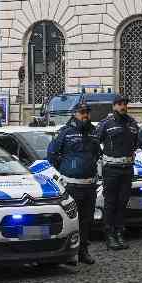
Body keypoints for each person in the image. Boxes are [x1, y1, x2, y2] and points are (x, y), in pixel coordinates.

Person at [47, 100, 101, 265]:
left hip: (90, 185)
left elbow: (97, 154)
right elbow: (52, 154)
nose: (85, 115)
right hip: (72, 185)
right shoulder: (65, 133)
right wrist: (67, 169)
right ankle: (70, 253)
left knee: (86, 220)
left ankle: (83, 251)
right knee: (72, 220)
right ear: (75, 114)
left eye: (87, 112)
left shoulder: (93, 133)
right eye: (82, 112)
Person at [96, 94, 139, 251]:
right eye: (120, 104)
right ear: (114, 106)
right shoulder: (106, 123)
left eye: (125, 104)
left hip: (127, 169)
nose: (123, 106)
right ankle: (109, 234)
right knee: (110, 203)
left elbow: (135, 143)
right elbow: (95, 142)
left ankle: (120, 232)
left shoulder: (132, 123)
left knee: (122, 202)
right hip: (111, 169)